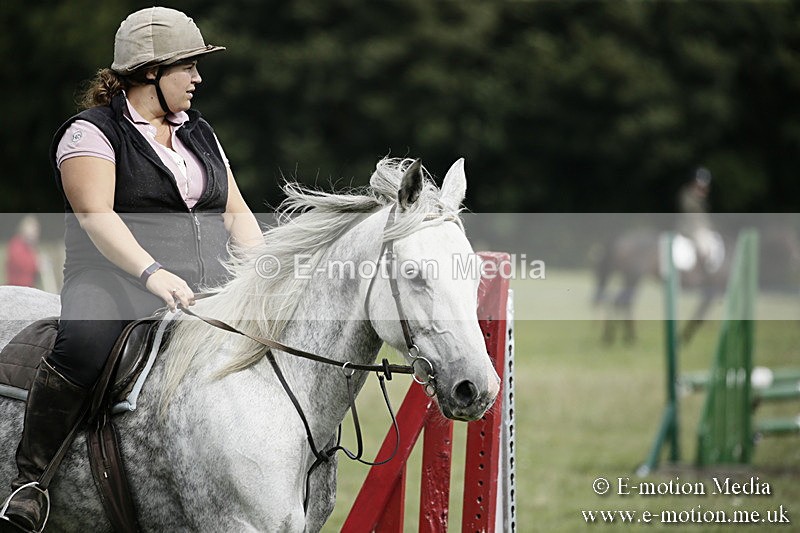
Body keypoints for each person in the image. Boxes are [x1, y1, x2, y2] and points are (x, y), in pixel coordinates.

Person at [0, 7, 262, 532]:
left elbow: (236, 211)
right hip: (112, 283)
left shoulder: (201, 133)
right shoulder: (89, 134)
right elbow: (98, 217)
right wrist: (152, 273)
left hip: (206, 287)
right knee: (84, 345)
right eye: (187, 66)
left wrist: (267, 273)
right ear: (150, 72)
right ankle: (30, 482)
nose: (198, 77)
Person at [676, 166, 722, 273]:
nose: (703, 188)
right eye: (699, 185)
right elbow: (691, 211)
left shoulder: (703, 199)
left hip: (702, 228)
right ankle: (703, 273)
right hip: (691, 229)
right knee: (704, 248)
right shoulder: (688, 195)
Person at [5, 216, 40, 288]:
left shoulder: (31, 248)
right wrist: (37, 263)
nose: (34, 234)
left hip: (28, 287)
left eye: (36, 230)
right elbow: (20, 263)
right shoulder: (16, 244)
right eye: (32, 229)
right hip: (16, 288)